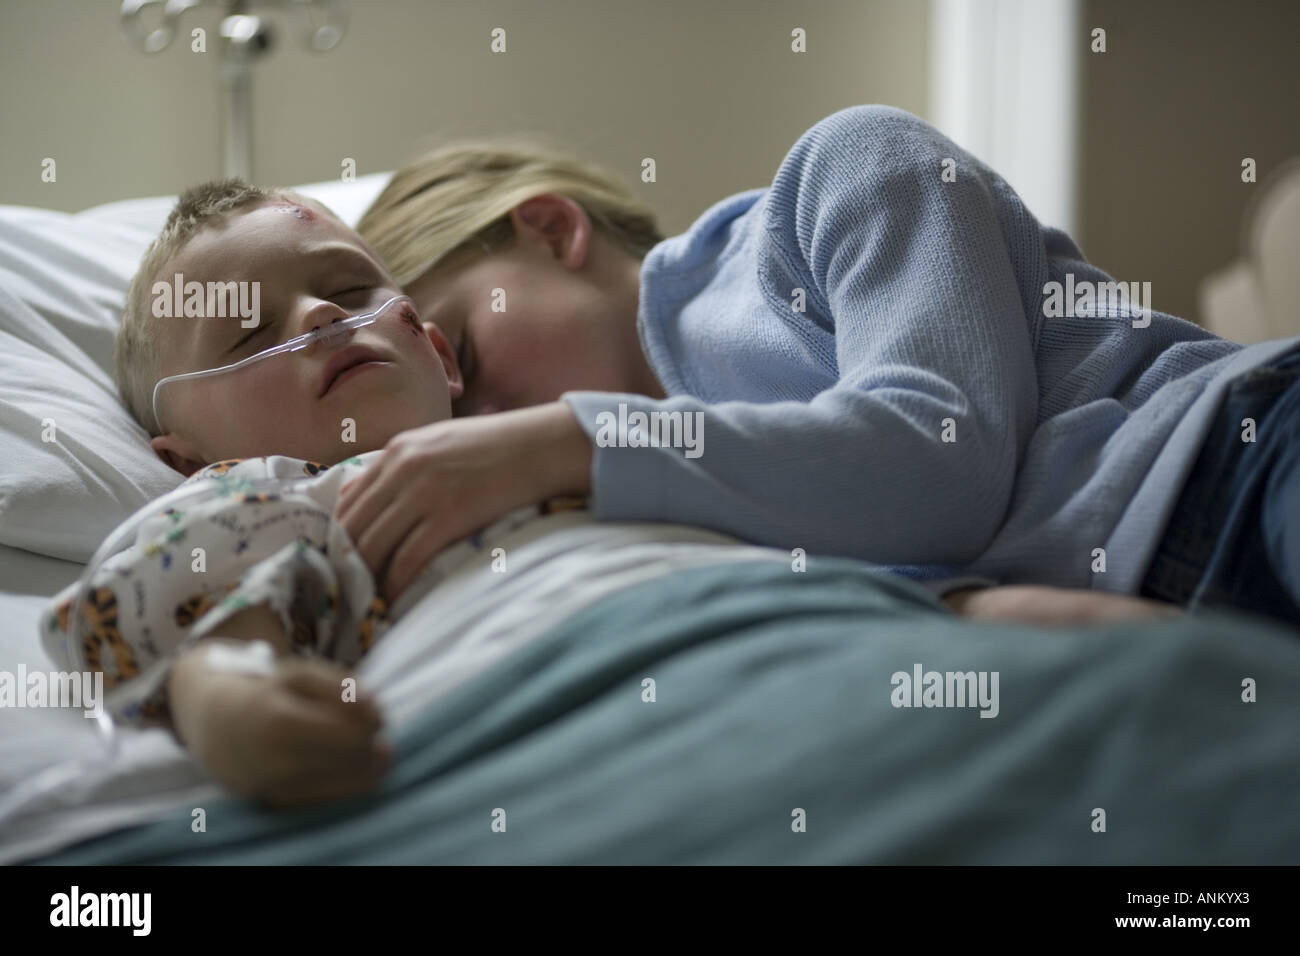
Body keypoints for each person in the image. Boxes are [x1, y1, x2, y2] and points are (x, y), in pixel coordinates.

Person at [40, 177, 1177, 811]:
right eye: (248, 329)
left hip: (796, 630)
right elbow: (204, 619)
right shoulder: (285, 497)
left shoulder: (628, 442)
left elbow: (859, 531)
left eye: (346, 290)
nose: (316, 319)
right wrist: (230, 691)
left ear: (437, 351)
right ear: (185, 456)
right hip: (551, 690)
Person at [348, 104, 1300, 628]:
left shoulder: (839, 175)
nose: (486, 432)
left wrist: (567, 439)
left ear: (551, 229)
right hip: (1172, 614)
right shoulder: (648, 510)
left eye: (463, 351)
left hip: (1236, 455)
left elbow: (939, 456)